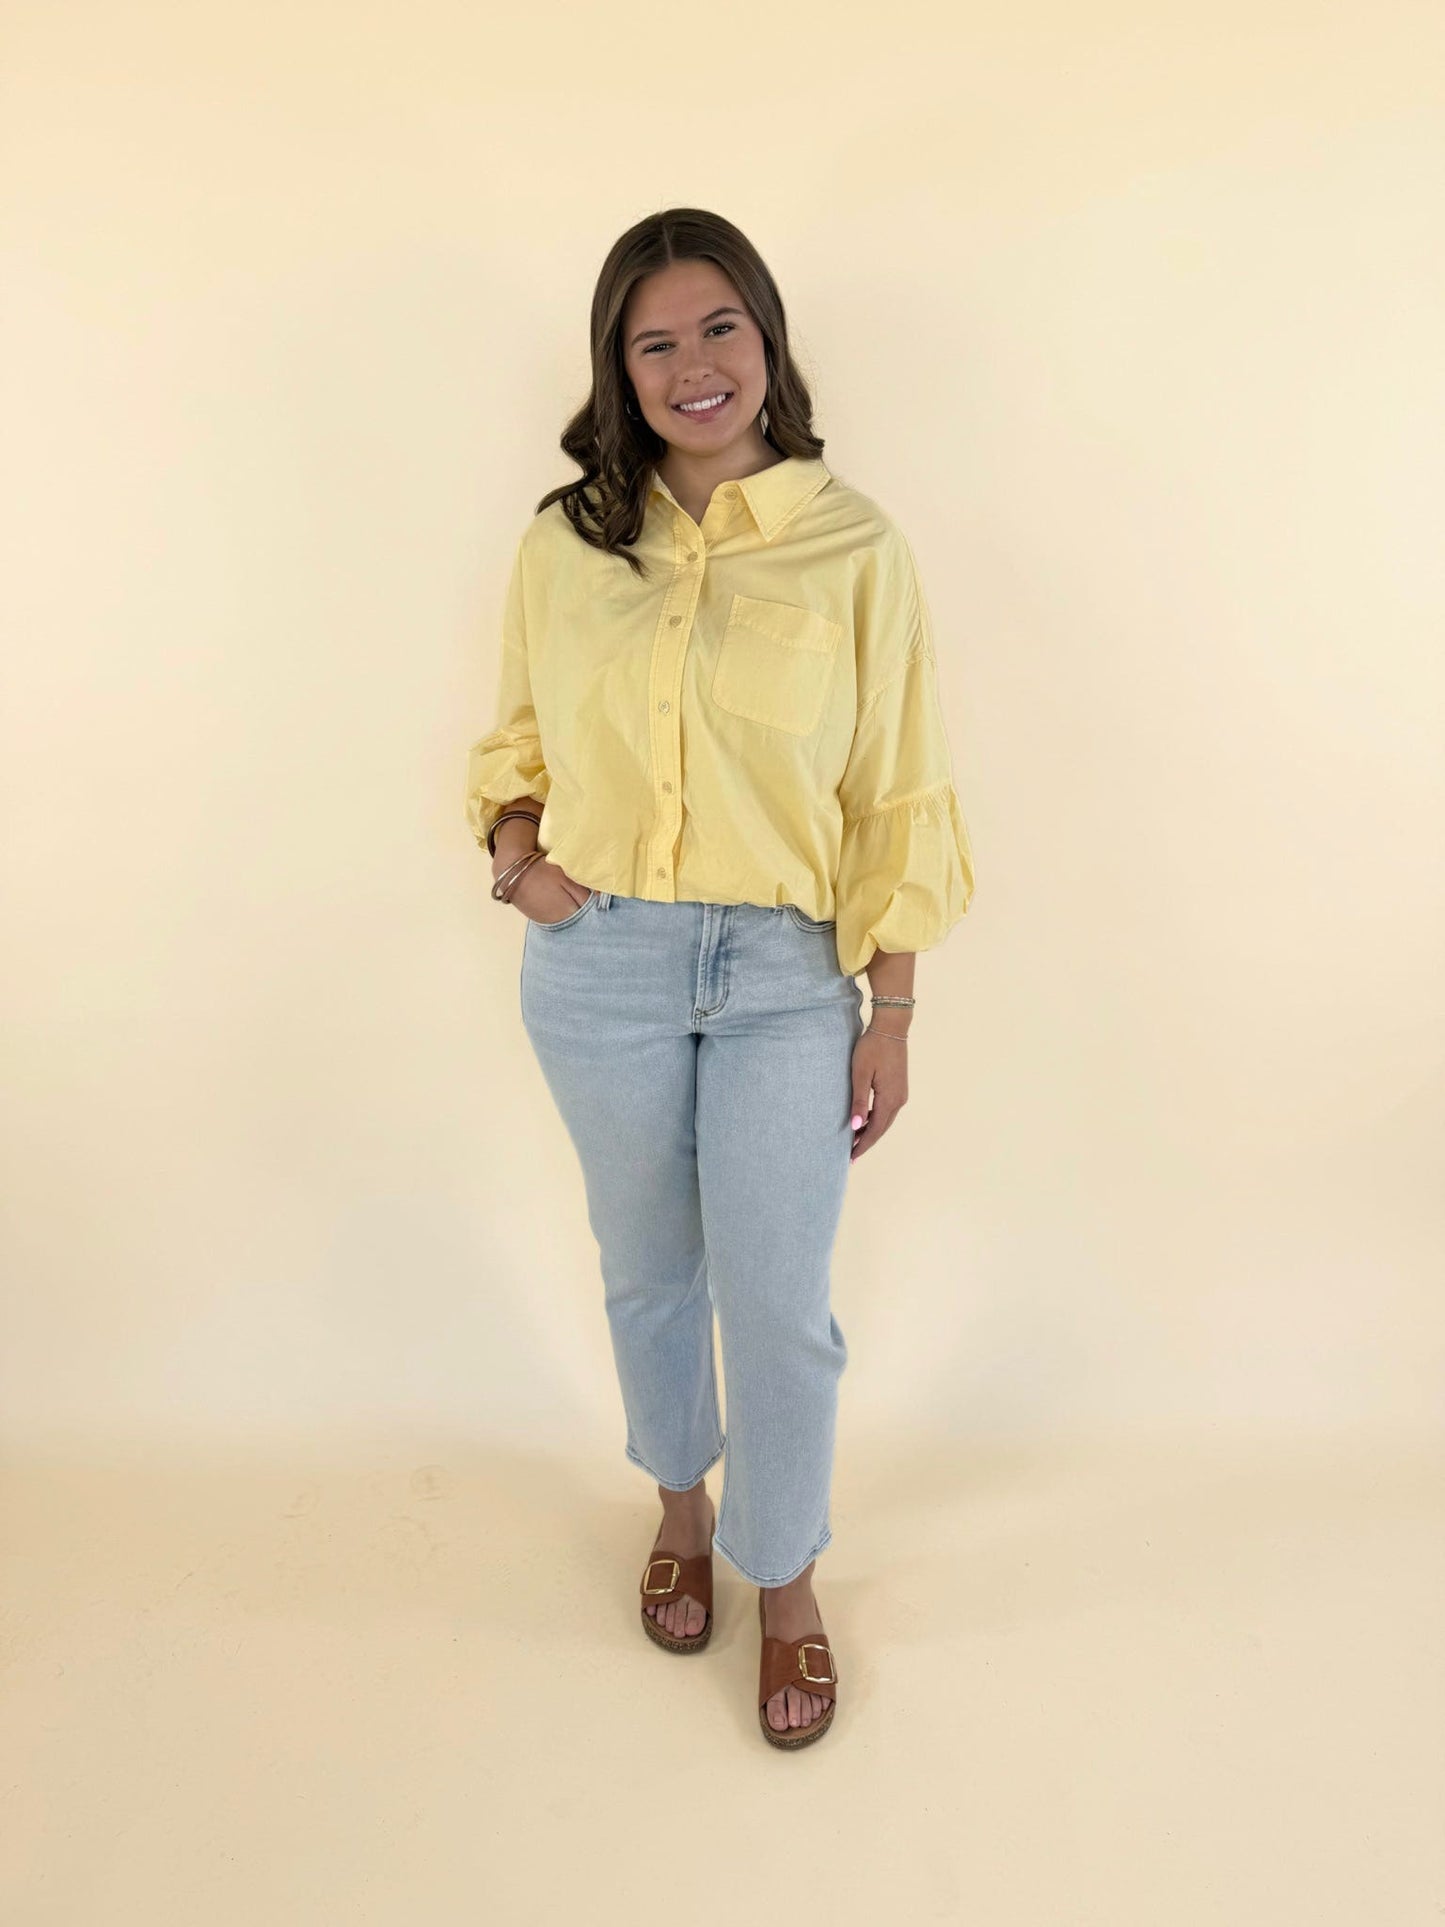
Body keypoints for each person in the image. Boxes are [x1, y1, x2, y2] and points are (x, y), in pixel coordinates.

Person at [465, 208, 975, 1750]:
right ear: (618, 370)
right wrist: (518, 858)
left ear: (766, 340)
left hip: (779, 975)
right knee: (647, 1270)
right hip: (600, 960)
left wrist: (890, 1005)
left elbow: (897, 790)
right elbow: (516, 739)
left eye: (718, 329)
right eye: (654, 341)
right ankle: (679, 1509)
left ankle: (786, 1576)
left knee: (778, 1300)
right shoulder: (566, 544)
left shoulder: (853, 547)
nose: (694, 367)